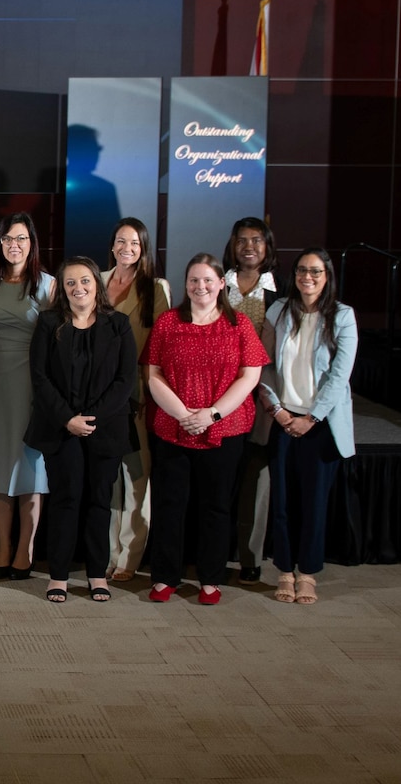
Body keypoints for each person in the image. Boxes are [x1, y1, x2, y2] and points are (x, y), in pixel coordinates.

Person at [142, 254, 270, 604]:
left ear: (221, 284)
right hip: (174, 426)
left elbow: (251, 375)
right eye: (194, 280)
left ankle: (210, 578)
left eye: (208, 280)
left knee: (216, 507)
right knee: (171, 504)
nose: (201, 287)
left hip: (226, 428)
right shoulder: (168, 322)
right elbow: (152, 373)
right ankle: (166, 576)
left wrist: (211, 414)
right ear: (185, 285)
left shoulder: (238, 323)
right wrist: (185, 414)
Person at [26, 258, 137, 603]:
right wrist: (67, 419)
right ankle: (58, 576)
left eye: (85, 281)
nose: (79, 288)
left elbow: (125, 380)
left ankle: (95, 574)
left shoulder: (118, 324)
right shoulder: (48, 323)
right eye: (71, 283)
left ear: (96, 284)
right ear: (62, 289)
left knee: (99, 501)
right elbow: (40, 377)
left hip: (105, 429)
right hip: (61, 429)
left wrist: (92, 419)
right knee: (65, 498)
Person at [258, 249, 358, 605]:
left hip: (322, 425)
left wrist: (311, 417)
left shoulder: (343, 316)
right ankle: (284, 571)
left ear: (327, 275)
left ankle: (308, 574)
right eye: (302, 270)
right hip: (283, 421)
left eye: (315, 271)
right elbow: (263, 365)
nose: (307, 277)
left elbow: (339, 375)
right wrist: (280, 412)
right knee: (283, 502)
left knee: (314, 503)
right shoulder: (278, 310)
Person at [0, 212, 54, 580]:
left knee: (29, 466)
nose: (13, 245)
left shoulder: (49, 286)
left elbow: (55, 341)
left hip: (33, 382)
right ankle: (3, 546)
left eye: (20, 238)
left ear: (31, 243)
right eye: (7, 239)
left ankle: (26, 548)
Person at [99, 217, 171, 581]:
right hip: (99, 396)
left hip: (137, 396)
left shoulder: (155, 288)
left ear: (144, 249)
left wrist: (149, 392)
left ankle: (130, 556)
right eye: (121, 241)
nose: (127, 248)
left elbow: (159, 347)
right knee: (109, 477)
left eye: (135, 244)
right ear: (112, 245)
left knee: (137, 476)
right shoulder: (97, 280)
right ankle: (110, 553)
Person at [222, 216, 280, 585]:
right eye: (242, 240)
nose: (249, 247)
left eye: (256, 241)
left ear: (267, 246)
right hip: (218, 395)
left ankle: (250, 557)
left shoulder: (280, 292)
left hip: (262, 396)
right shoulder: (216, 283)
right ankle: (212, 550)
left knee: (255, 479)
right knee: (219, 474)